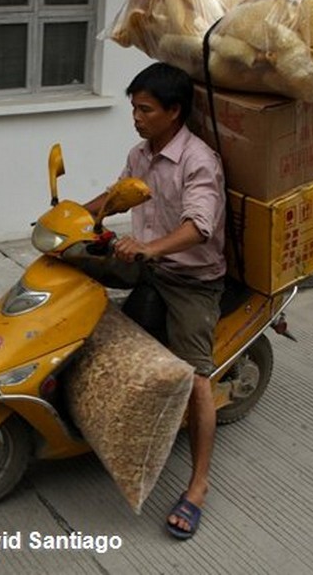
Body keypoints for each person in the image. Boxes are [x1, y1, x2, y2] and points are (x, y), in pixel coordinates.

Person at [84, 61, 226, 540]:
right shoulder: (140, 154)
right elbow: (118, 195)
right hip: (149, 267)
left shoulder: (199, 160)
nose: (137, 117)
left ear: (173, 111)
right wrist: (74, 215)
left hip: (191, 281)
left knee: (198, 379)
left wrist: (148, 246)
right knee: (73, 268)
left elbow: (198, 226)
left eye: (145, 109)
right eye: (133, 109)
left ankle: (198, 487)